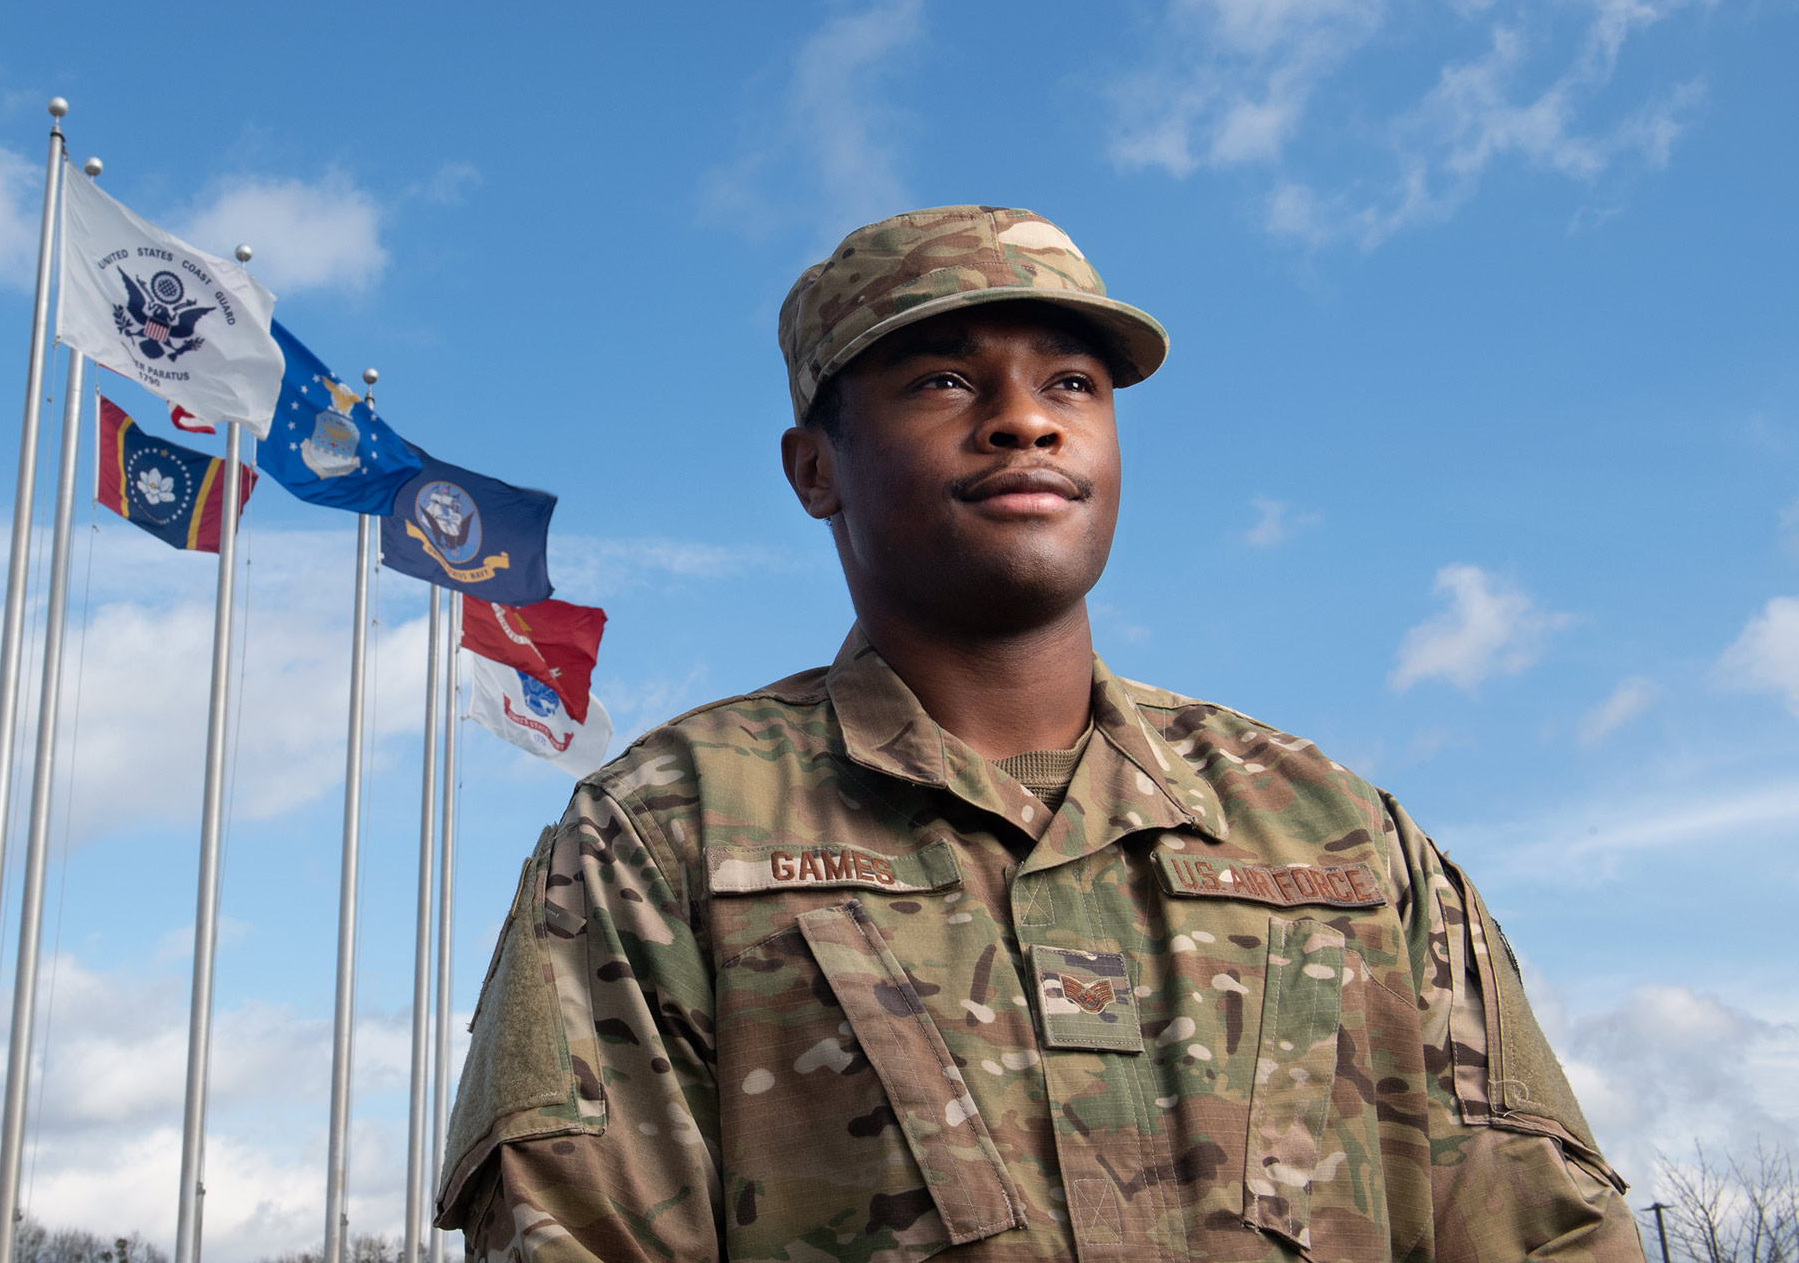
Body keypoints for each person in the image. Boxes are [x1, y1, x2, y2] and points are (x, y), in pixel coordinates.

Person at [433, 206, 1640, 1262]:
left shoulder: (1338, 832)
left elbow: (1544, 1225)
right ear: (814, 469)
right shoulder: (668, 832)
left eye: (1073, 383)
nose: (1027, 420)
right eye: (944, 382)